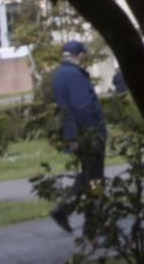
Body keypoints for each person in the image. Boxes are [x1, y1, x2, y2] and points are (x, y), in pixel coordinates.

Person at [48, 40, 106, 234]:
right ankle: (92, 223)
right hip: (88, 135)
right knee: (95, 179)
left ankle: (66, 210)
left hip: (76, 135)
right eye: (82, 54)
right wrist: (94, 133)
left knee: (87, 176)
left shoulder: (60, 75)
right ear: (77, 55)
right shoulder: (74, 75)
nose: (84, 58)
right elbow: (82, 106)